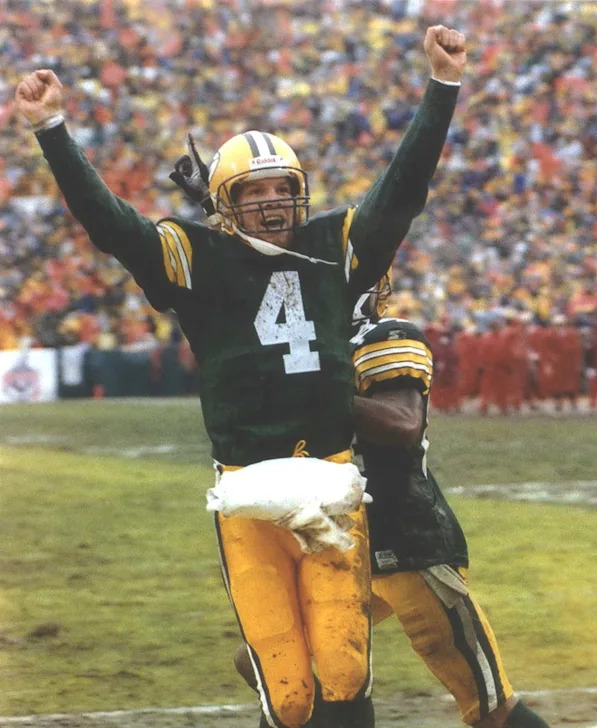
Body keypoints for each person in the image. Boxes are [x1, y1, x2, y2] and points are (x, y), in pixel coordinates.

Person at [15, 25, 465, 728]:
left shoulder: (332, 244)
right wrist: (52, 130)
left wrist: (442, 88)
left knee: (344, 672)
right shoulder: (195, 255)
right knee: (287, 691)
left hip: (332, 480)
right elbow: (111, 226)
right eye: (254, 193)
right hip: (246, 493)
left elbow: (403, 191)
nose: (273, 204)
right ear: (226, 203)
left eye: (283, 189)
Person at [235, 276, 551, 728]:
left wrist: (316, 389)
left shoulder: (384, 338)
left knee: (490, 707)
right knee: (269, 666)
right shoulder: (305, 351)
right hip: (335, 542)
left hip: (406, 543)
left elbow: (402, 423)